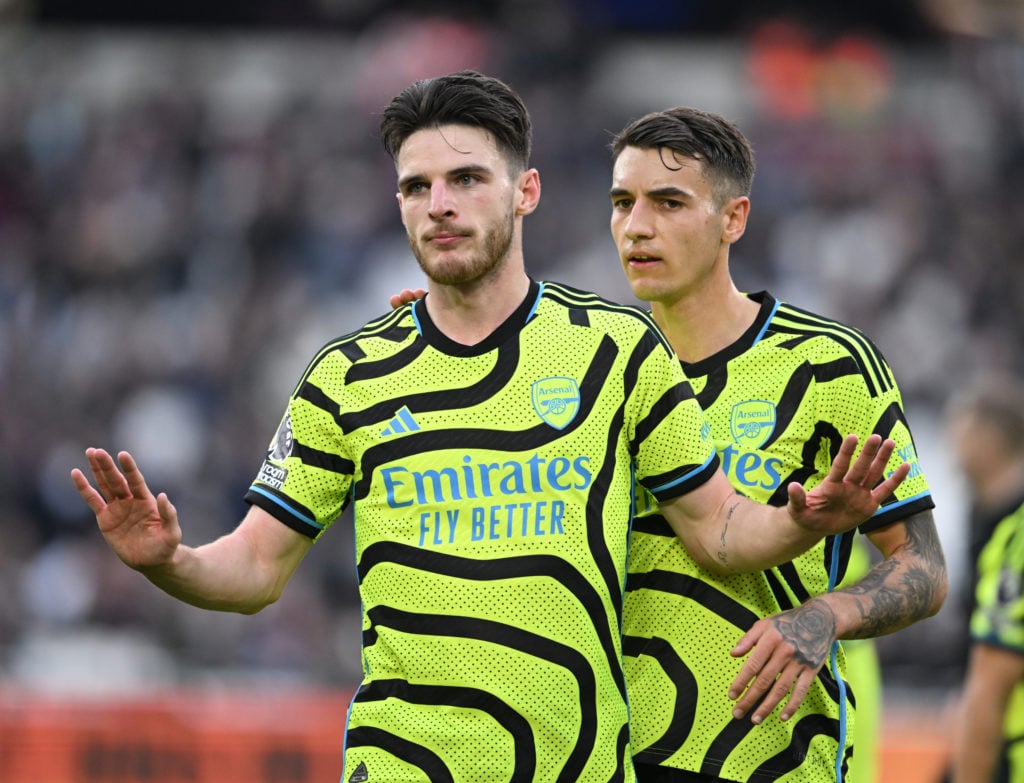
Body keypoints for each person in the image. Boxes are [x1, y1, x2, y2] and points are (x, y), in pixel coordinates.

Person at [71, 72, 908, 783]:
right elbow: (255, 565)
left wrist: (801, 518)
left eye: (467, 179)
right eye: (415, 186)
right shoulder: (347, 373)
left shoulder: (614, 352)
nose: (439, 205)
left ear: (526, 191)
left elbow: (718, 530)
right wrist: (171, 561)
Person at [608, 107, 948, 783]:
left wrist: (828, 613)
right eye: (623, 202)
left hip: (767, 756)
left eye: (669, 202)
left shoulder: (829, 366)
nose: (637, 225)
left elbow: (925, 567)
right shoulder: (588, 364)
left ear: (733, 219)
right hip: (600, 755)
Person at [947, 374, 1024, 783]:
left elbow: (996, 670)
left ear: (988, 439)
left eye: (960, 426)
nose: (951, 441)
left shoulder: (1014, 529)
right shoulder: (980, 512)